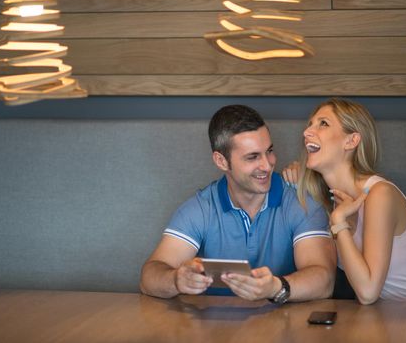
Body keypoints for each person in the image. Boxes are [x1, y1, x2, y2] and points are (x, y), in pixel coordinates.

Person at [140, 104, 336, 302]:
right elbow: (149, 276)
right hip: (215, 328)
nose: (267, 165)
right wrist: (176, 280)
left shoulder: (300, 201)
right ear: (221, 161)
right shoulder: (202, 207)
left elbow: (324, 280)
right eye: (252, 157)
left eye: (269, 151)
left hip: (284, 326)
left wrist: (276, 287)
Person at [282, 98, 406, 304]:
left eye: (323, 123)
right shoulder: (328, 200)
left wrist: (339, 221)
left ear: (351, 141)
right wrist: (297, 176)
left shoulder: (380, 194)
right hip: (375, 321)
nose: (306, 132)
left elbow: (367, 292)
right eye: (310, 124)